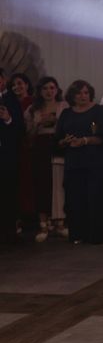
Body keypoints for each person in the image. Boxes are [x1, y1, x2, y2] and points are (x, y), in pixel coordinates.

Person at [55, 80, 103, 244]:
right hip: (73, 162)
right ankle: (78, 234)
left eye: (86, 92)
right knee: (75, 198)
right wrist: (65, 141)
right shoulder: (66, 113)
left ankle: (99, 235)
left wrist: (85, 140)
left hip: (94, 162)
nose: (83, 96)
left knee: (96, 197)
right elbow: (57, 139)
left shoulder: (98, 111)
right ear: (72, 95)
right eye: (79, 93)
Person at [24, 77, 69, 242]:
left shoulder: (64, 106)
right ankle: (43, 224)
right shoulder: (32, 109)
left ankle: (60, 223)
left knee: (59, 184)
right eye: (45, 88)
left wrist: (56, 122)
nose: (49, 92)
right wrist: (39, 124)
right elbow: (27, 135)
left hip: (59, 145)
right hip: (40, 148)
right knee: (42, 184)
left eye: (52, 88)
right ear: (39, 91)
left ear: (57, 90)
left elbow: (70, 127)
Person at [0, 68, 24, 243]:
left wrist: (8, 118)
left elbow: (20, 129)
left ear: (3, 79)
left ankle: (8, 232)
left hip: (6, 156)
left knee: (7, 193)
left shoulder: (12, 100)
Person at [9, 73, 35, 231]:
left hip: (29, 146)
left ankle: (31, 216)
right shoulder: (10, 103)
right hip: (13, 146)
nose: (16, 87)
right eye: (13, 85)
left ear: (26, 85)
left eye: (19, 83)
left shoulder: (32, 102)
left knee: (29, 180)